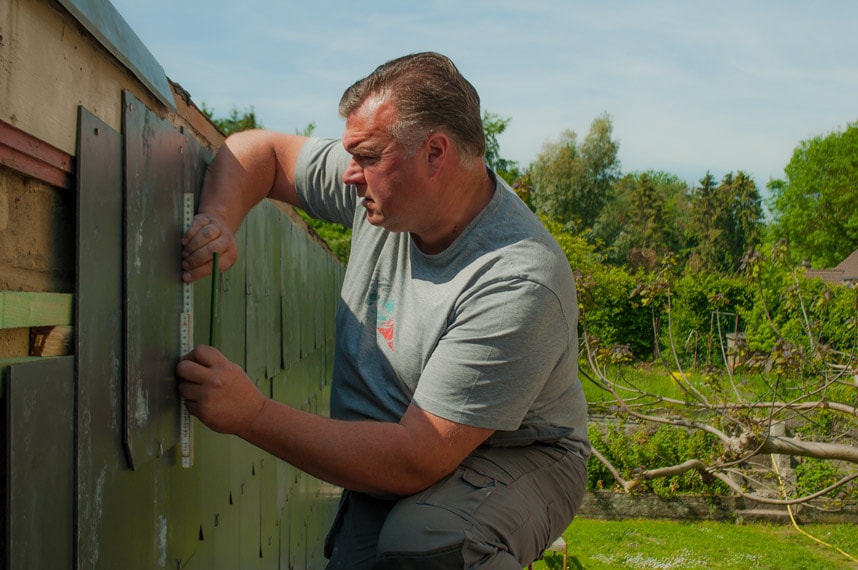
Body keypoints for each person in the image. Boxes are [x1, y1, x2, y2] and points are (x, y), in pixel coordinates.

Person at [177, 52, 589, 569]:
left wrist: (253, 414)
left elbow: (416, 457)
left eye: (367, 156)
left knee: (429, 547)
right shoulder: (386, 189)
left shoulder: (517, 280)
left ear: (435, 153)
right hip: (402, 446)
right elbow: (261, 152)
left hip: (518, 458)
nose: (350, 174)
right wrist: (218, 220)